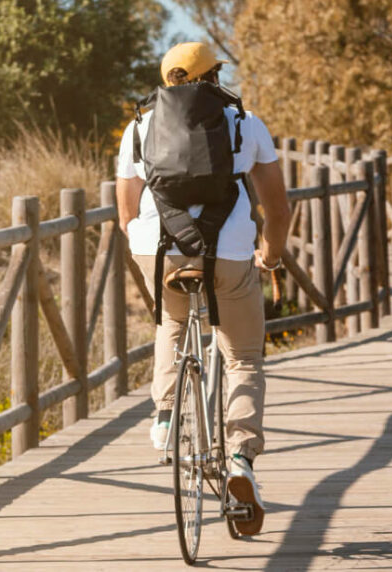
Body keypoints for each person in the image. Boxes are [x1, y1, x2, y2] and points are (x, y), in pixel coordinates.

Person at [115, 42, 290, 535]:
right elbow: (277, 208)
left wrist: (146, 245)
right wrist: (270, 256)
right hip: (230, 252)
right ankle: (240, 458)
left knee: (172, 320)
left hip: (158, 249)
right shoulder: (246, 124)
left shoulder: (137, 127)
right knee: (243, 358)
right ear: (214, 77)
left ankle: (165, 416)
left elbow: (126, 214)